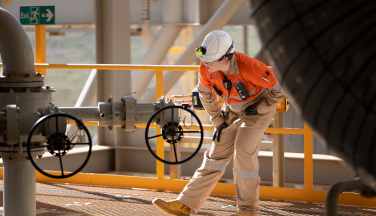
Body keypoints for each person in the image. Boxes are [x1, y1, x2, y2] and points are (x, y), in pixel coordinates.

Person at [152, 30, 285, 216]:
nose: (205, 63)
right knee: (216, 155)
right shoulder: (206, 67)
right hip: (232, 109)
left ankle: (248, 211)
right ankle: (186, 204)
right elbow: (205, 95)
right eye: (204, 58)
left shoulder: (250, 67)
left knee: (244, 150)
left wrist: (263, 108)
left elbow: (280, 85)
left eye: (210, 59)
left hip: (257, 110)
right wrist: (218, 121)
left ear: (225, 59)